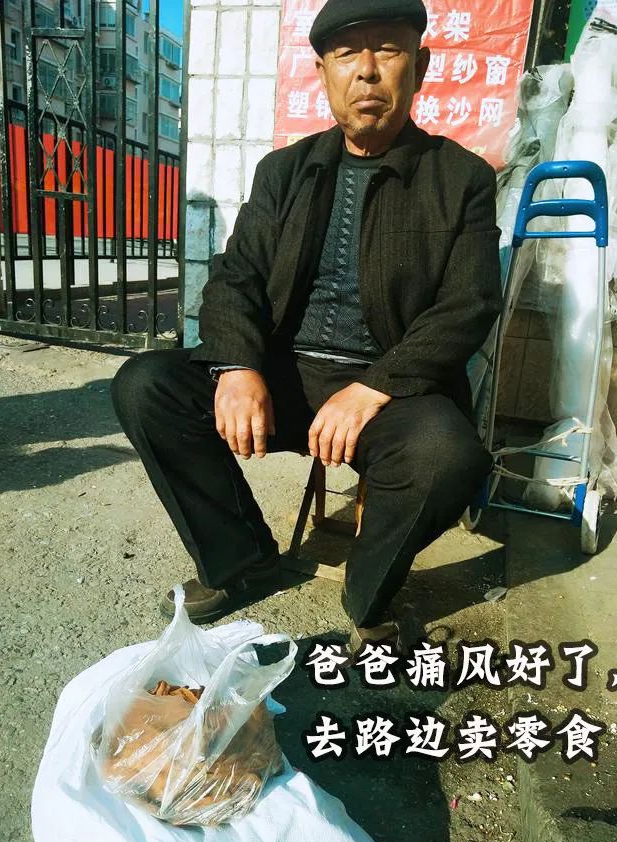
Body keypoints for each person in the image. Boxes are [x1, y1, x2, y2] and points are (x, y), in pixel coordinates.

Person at [111, 0, 502, 653]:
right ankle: (240, 561)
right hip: (284, 378)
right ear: (323, 72)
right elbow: (235, 276)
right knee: (147, 385)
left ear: (421, 64)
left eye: (388, 49)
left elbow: (470, 302)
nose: (367, 71)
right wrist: (238, 367)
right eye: (347, 54)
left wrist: (375, 386)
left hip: (388, 396)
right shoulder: (285, 170)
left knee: (447, 454)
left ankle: (368, 594)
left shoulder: (460, 178)